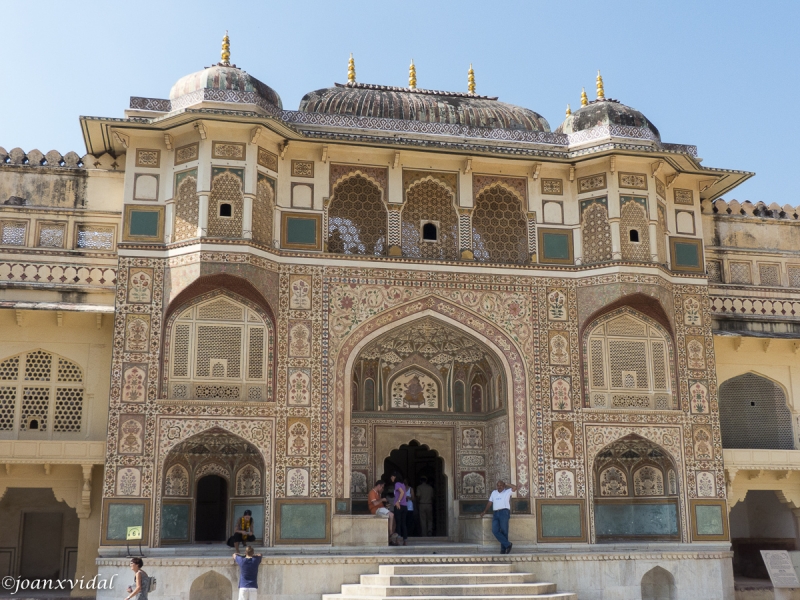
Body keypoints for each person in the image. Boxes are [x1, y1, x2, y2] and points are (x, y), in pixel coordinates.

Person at [480, 480, 519, 554]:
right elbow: (490, 502)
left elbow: (515, 487)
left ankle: (503, 550)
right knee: (495, 530)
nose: (499, 487)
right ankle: (508, 544)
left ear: (504, 486)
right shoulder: (494, 493)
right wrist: (485, 511)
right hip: (496, 513)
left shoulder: (507, 491)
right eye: (498, 485)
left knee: (504, 531)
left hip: (504, 512)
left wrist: (507, 484)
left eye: (501, 485)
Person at [367, 479, 396, 544]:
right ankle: (391, 533)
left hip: (380, 509)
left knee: (393, 521)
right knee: (391, 515)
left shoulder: (377, 493)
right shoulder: (372, 492)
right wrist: (382, 499)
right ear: (379, 486)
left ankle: (390, 539)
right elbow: (374, 503)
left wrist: (386, 506)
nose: (382, 489)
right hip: (376, 510)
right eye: (382, 487)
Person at [393, 472, 409, 546]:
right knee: (403, 523)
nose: (391, 478)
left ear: (395, 477)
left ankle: (398, 541)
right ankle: (405, 540)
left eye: (392, 476)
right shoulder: (403, 484)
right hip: (404, 506)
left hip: (399, 506)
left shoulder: (397, 484)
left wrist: (398, 502)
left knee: (398, 523)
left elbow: (401, 492)